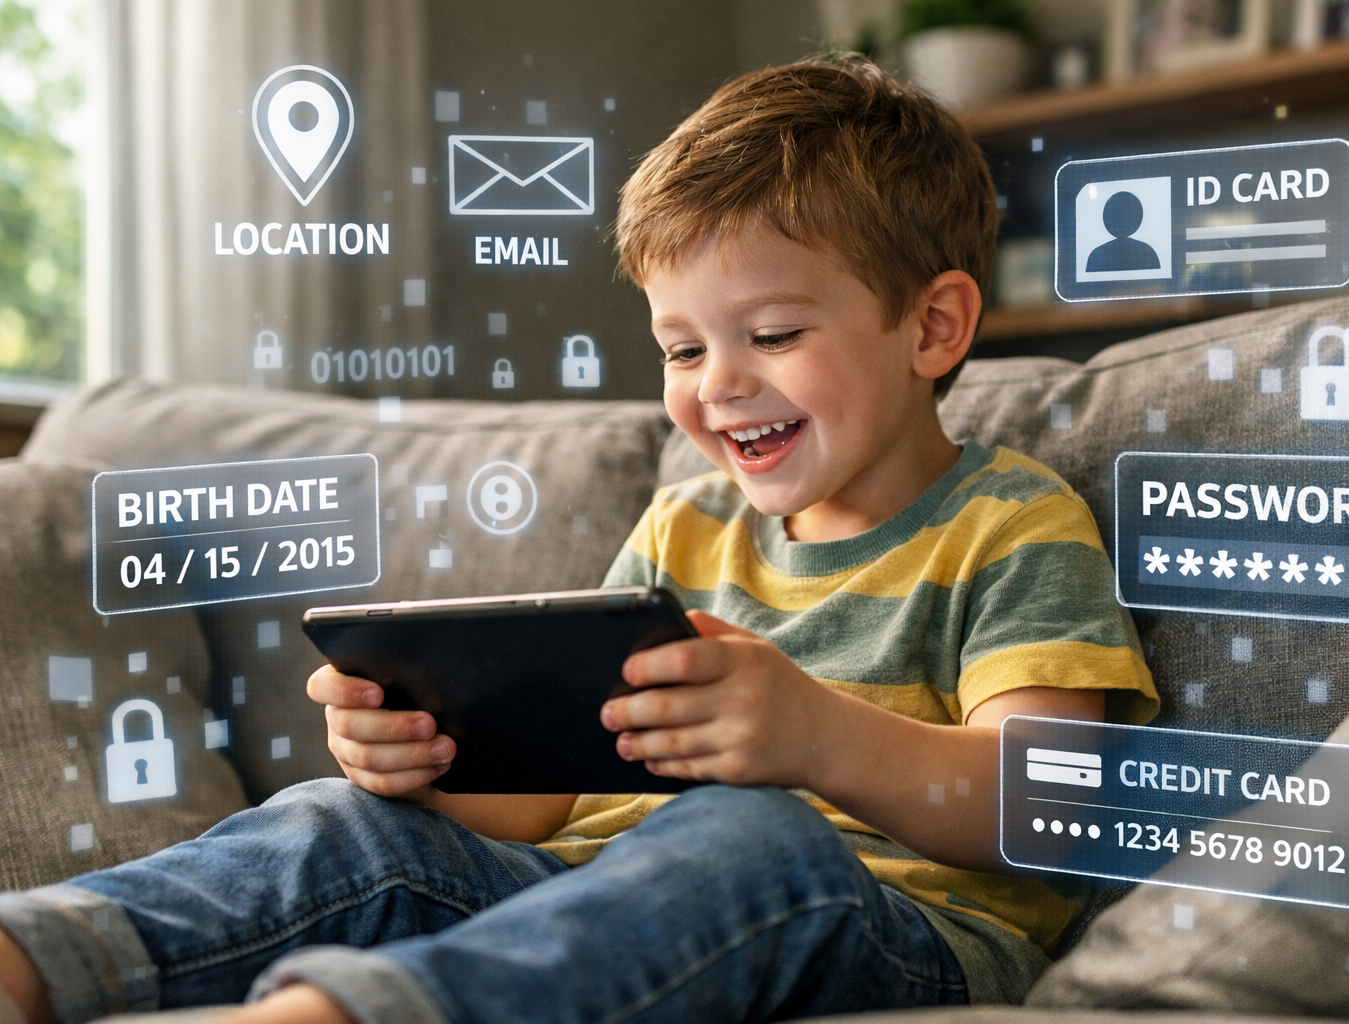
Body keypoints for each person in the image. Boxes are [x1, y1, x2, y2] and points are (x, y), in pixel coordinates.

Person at [0, 56, 1157, 1024]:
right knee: (340, 818)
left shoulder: (1010, 524)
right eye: (684, 348)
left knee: (747, 831)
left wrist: (816, 737)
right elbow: (542, 806)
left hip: (889, 934)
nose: (722, 385)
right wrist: (433, 761)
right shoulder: (686, 524)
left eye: (771, 330)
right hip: (589, 899)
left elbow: (1053, 812)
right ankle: (36, 957)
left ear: (934, 324)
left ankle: (349, 1012)